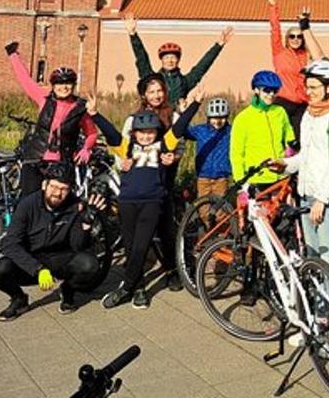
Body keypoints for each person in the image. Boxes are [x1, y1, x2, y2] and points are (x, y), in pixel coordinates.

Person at [89, 75, 193, 292]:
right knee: (135, 237)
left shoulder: (171, 116)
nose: (156, 95)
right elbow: (118, 142)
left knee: (166, 228)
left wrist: (173, 157)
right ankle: (136, 281)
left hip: (162, 177)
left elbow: (179, 139)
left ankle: (170, 270)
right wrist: (122, 163)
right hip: (135, 181)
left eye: (159, 91)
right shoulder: (132, 120)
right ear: (144, 94)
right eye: (151, 91)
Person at [0, 162, 108, 320]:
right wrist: (37, 269)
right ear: (44, 184)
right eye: (54, 187)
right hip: (32, 259)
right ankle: (19, 299)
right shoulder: (27, 205)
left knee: (90, 265)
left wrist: (86, 224)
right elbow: (10, 243)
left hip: (60, 258)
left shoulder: (75, 205)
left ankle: (68, 290)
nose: (58, 193)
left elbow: (78, 246)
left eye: (64, 189)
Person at [272, 60, 329, 284]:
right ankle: (322, 313)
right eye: (307, 86)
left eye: (314, 87)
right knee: (313, 258)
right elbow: (306, 156)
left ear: (328, 88)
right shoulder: (309, 115)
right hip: (306, 195)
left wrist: (322, 200)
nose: (309, 91)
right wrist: (285, 164)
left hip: (326, 198)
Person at [97, 110, 178, 310]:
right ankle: (139, 288)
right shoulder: (127, 147)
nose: (146, 136)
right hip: (127, 202)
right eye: (141, 132)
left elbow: (179, 128)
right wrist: (94, 114)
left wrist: (195, 104)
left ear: (157, 133)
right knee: (131, 246)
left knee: (142, 246)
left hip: (152, 202)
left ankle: (125, 287)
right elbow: (112, 133)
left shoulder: (163, 146)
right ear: (134, 133)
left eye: (150, 132)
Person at [6, 41, 98, 197]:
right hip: (36, 158)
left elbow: (92, 133)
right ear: (53, 86)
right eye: (59, 84)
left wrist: (86, 149)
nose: (64, 87)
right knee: (29, 201)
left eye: (68, 83)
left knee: (57, 202)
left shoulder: (80, 108)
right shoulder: (44, 98)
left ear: (73, 85)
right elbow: (25, 80)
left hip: (61, 163)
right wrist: (13, 55)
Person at [123, 11, 233, 106]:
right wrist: (133, 35)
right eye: (166, 57)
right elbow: (142, 59)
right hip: (154, 123)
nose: (170, 61)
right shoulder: (153, 79)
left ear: (178, 60)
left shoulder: (184, 82)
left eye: (173, 57)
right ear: (161, 60)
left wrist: (219, 45)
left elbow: (202, 67)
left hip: (176, 122)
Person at [230, 70, 297, 188]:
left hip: (280, 175)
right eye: (267, 90)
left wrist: (290, 152)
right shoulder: (243, 118)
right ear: (256, 90)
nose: (271, 94)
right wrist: (240, 182)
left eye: (275, 91)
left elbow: (289, 135)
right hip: (256, 179)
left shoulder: (280, 112)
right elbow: (236, 153)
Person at [265, 0, 309, 130]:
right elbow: (275, 29)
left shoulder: (305, 55)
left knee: (300, 140)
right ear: (287, 39)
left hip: (302, 103)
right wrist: (273, 5)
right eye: (292, 36)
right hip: (283, 102)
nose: (296, 39)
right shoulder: (279, 52)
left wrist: (306, 24)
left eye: (299, 36)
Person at [181, 97, 234, 200]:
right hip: (203, 177)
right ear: (208, 117)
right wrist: (184, 113)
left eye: (222, 118)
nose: (218, 122)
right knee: (203, 206)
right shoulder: (201, 130)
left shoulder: (230, 132)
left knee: (220, 209)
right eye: (214, 118)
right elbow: (184, 131)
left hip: (221, 178)